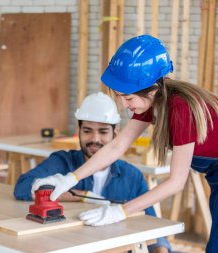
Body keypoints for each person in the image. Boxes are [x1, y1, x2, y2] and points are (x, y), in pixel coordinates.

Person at [32, 35, 218, 253]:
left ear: (153, 90)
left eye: (128, 98)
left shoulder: (181, 108)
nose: (124, 105)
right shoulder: (154, 103)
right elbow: (116, 147)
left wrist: (121, 212)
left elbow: (176, 182)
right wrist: (68, 179)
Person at [15, 92, 171, 253]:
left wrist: (161, 250)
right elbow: (22, 187)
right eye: (88, 130)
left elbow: (154, 229)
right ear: (79, 131)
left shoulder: (132, 176)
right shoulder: (62, 162)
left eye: (103, 132)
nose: (95, 139)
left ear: (115, 134)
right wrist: (81, 196)